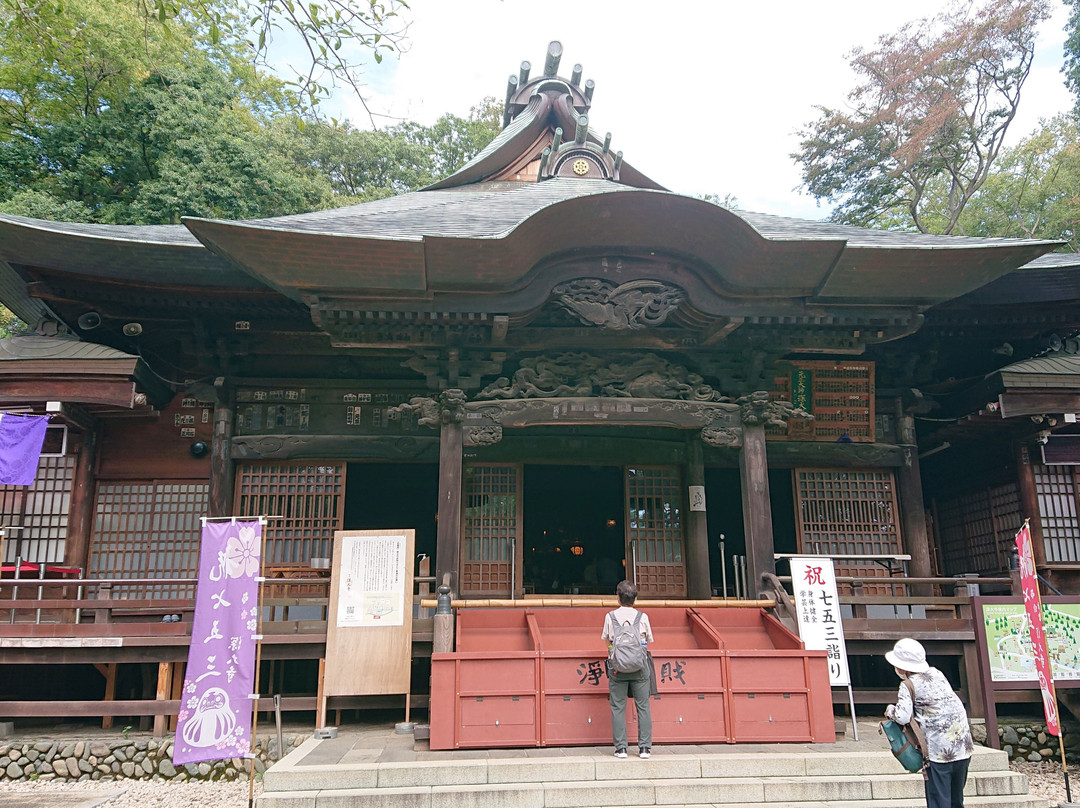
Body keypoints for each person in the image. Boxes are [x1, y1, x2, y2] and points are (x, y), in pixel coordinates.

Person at [884, 638, 974, 808]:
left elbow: (902, 716)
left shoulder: (908, 685)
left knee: (939, 802)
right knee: (956, 801)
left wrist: (890, 710)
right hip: (962, 746)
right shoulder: (937, 674)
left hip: (939, 751)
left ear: (902, 667)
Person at [602, 579, 653, 759]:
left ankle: (621, 748)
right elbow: (648, 640)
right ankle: (645, 748)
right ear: (635, 598)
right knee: (643, 706)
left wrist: (613, 654)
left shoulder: (611, 617)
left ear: (618, 597)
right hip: (639, 668)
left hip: (618, 668)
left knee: (618, 707)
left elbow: (607, 640)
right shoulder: (643, 617)